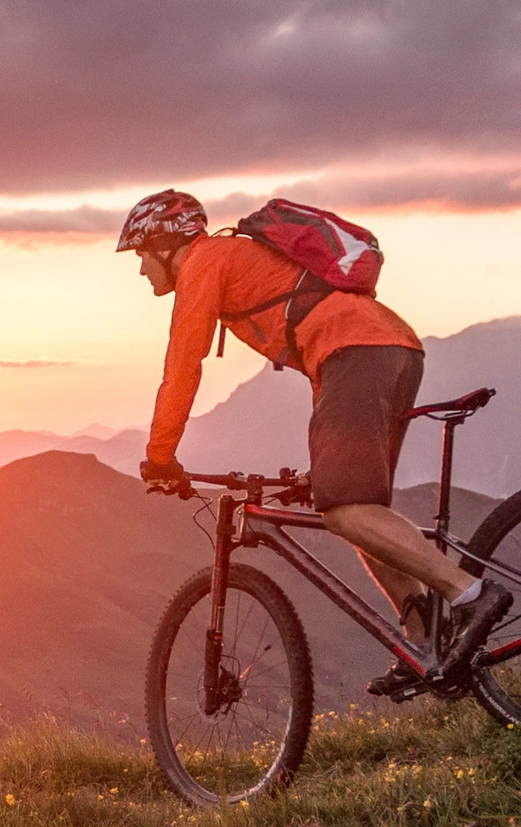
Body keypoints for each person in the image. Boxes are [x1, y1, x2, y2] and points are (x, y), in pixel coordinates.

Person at [118, 189, 512, 695]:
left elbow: (182, 365)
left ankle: (470, 594)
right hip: (388, 349)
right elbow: (319, 347)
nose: (141, 270)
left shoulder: (205, 261)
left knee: (345, 509)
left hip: (358, 353)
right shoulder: (236, 258)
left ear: (163, 243)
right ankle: (424, 642)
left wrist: (159, 455)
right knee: (361, 513)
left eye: (141, 255)